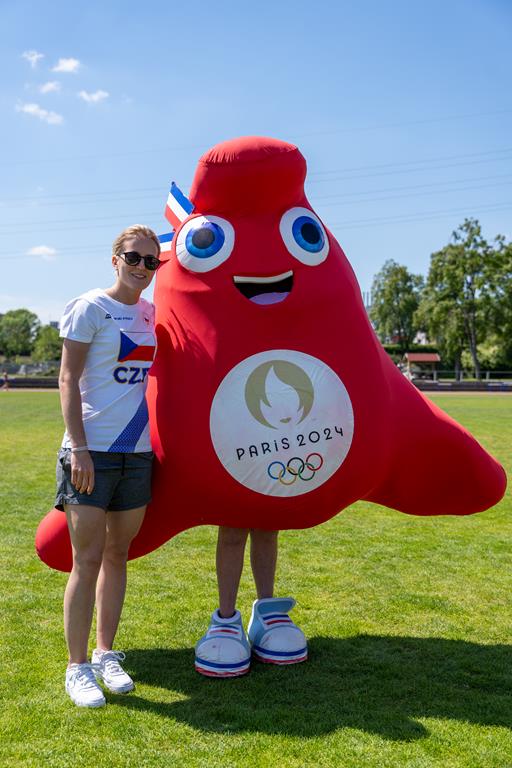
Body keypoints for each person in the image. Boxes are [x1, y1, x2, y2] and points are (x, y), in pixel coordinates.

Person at [55, 225, 160, 707]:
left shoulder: (150, 312)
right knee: (87, 558)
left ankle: (104, 655)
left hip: (136, 453)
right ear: (115, 259)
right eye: (133, 257)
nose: (142, 267)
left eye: (151, 261)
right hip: (90, 452)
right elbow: (67, 378)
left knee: (118, 553)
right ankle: (77, 668)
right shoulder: (89, 307)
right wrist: (78, 447)